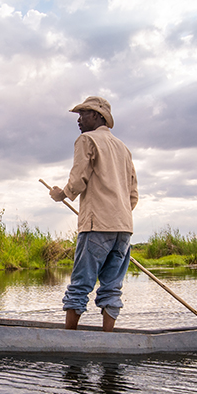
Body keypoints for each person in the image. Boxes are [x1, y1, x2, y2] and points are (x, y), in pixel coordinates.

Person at [48, 96, 138, 332]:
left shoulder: (86, 140)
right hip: (123, 227)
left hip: (97, 225)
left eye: (84, 113)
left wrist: (62, 194)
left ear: (98, 116)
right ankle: (107, 340)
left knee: (80, 284)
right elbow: (133, 196)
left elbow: (78, 180)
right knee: (111, 286)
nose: (79, 120)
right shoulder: (124, 148)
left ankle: (70, 339)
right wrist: (118, 214)